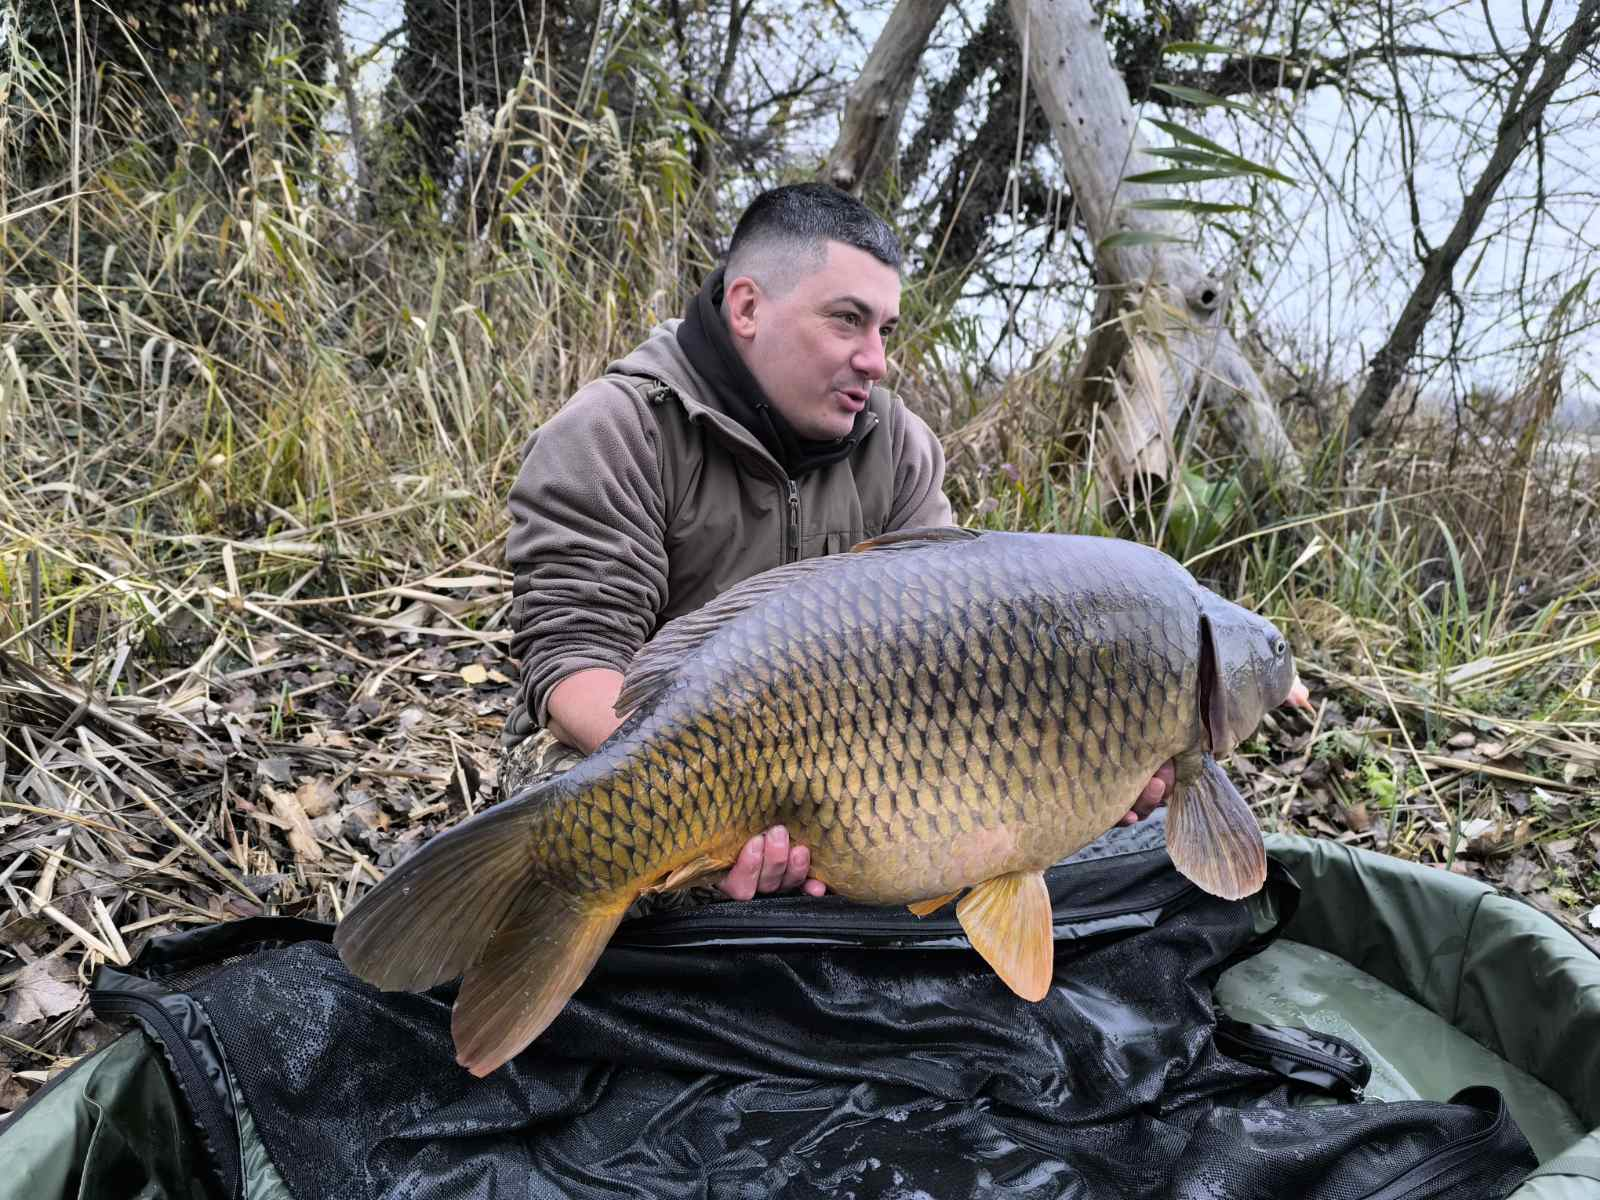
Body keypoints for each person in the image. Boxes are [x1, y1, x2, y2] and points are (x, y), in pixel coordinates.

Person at [500, 182, 1173, 904]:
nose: (875, 360)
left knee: (1101, 842)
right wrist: (715, 796)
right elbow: (576, 666)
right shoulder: (615, 430)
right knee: (587, 837)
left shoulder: (899, 446)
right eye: (848, 320)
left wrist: (1077, 782)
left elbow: (951, 658)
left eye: (885, 330)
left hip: (850, 766)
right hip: (640, 742)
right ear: (747, 308)